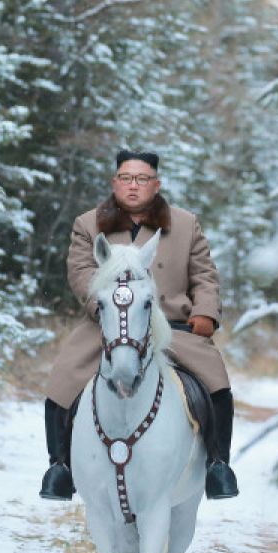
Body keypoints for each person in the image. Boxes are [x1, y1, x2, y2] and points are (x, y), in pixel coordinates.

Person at [40, 149, 240, 502]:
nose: (134, 186)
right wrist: (104, 308)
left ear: (156, 184)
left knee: (217, 387)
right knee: (62, 383)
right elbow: (82, 275)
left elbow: (205, 276)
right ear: (115, 182)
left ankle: (217, 465)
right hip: (108, 325)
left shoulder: (185, 224)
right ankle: (60, 468)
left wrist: (206, 312)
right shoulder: (88, 225)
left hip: (175, 327)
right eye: (127, 178)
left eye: (142, 179)